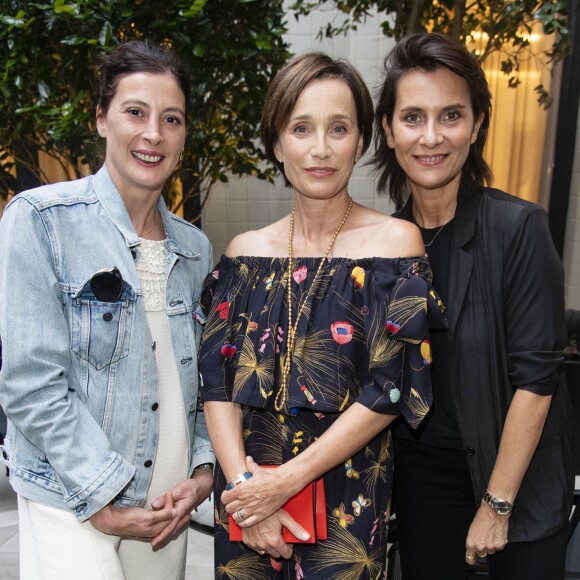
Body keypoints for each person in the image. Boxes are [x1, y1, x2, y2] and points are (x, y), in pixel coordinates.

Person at [198, 52, 446, 578]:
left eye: (338, 128)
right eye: (301, 128)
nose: (320, 149)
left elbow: (392, 387)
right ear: (276, 141)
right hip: (247, 496)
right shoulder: (245, 254)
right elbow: (216, 385)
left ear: (361, 140)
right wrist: (247, 490)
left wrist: (282, 485)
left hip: (347, 503)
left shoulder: (395, 245)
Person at [0, 40, 214, 580]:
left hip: (168, 502)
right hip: (72, 492)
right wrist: (101, 500)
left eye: (172, 119)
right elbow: (30, 383)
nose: (153, 134)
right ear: (101, 118)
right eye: (135, 112)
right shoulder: (41, 220)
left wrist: (203, 471)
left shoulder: (194, 248)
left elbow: (206, 380)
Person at [372, 32, 574, 580]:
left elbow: (537, 381)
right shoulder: (383, 241)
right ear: (388, 129)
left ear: (477, 124)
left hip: (518, 480)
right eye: (412, 117)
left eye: (451, 116)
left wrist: (497, 504)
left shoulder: (518, 228)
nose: (431, 137)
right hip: (424, 485)